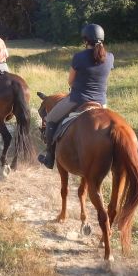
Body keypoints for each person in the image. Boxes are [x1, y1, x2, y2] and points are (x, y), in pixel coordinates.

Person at [38, 23, 114, 169]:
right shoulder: (110, 57)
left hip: (78, 100)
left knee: (51, 119)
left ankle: (49, 157)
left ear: (86, 40)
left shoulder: (79, 57)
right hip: (101, 103)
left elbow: (71, 81)